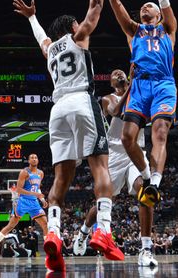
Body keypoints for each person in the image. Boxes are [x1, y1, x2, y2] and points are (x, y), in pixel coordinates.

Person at [13, 0, 123, 272]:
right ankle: (103, 229)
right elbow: (96, 7)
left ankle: (55, 235)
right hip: (81, 101)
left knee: (61, 178)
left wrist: (32, 17)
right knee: (100, 166)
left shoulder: (50, 51)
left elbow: (41, 39)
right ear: (71, 27)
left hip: (56, 109)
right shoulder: (78, 37)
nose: (80, 23)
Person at [109, 0, 178, 208]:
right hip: (138, 85)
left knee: (160, 132)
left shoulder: (168, 29)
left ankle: (155, 185)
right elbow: (115, 2)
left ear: (158, 14)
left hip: (162, 83)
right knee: (128, 137)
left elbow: (165, 0)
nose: (145, 8)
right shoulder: (133, 31)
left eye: (150, 6)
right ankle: (147, 177)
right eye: (142, 6)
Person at [72, 69, 158, 268]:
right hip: (115, 154)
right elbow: (117, 112)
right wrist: (131, 84)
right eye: (114, 73)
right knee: (105, 200)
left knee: (145, 192)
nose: (117, 73)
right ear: (111, 82)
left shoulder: (140, 94)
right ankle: (84, 232)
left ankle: (146, 248)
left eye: (121, 72)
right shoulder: (107, 98)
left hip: (136, 151)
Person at [0, 154, 49, 260]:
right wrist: (36, 195)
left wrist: (41, 199)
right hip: (22, 201)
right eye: (32, 157)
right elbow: (19, 190)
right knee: (11, 226)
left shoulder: (41, 173)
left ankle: (49, 252)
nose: (34, 159)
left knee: (45, 224)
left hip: (34, 202)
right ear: (28, 160)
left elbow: (37, 188)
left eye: (36, 157)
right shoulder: (24, 172)